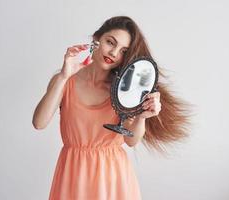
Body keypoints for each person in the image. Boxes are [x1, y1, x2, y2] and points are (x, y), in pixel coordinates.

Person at [32, 16, 192, 200]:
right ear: (96, 39)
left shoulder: (126, 91)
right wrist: (63, 76)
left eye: (123, 50)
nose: (114, 53)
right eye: (110, 42)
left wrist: (142, 117)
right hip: (73, 173)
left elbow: (131, 141)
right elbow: (39, 123)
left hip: (113, 177)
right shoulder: (65, 81)